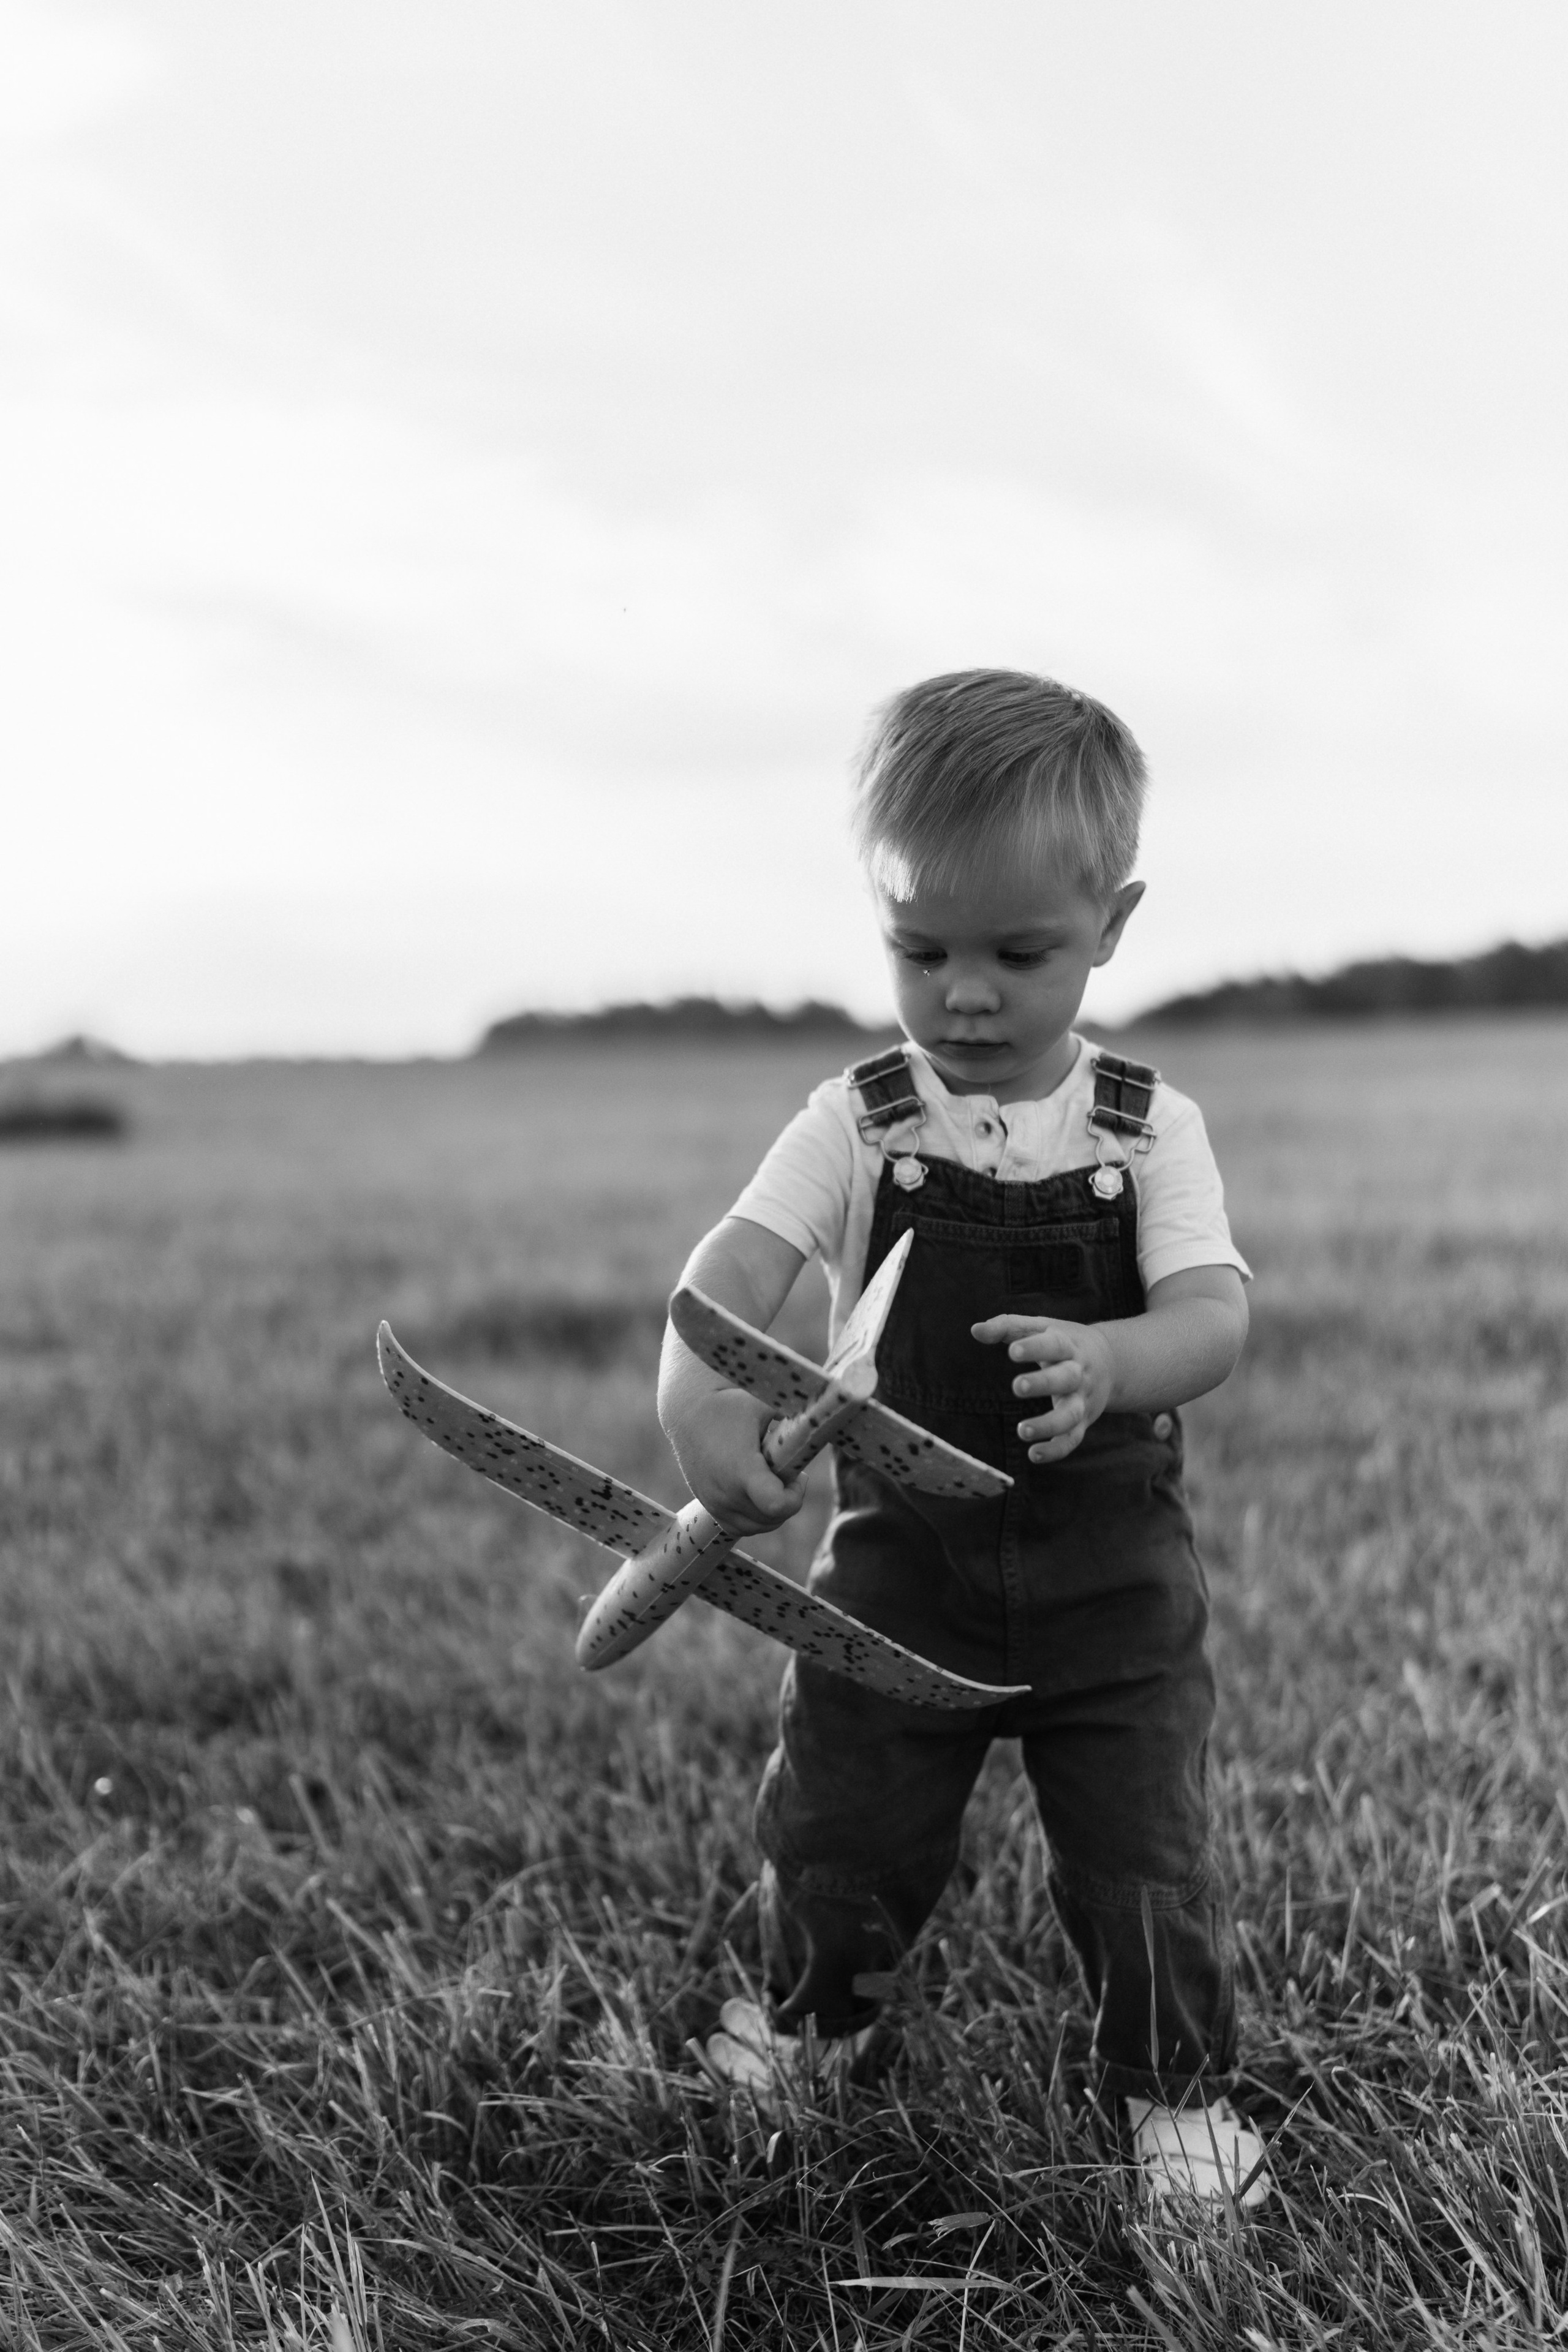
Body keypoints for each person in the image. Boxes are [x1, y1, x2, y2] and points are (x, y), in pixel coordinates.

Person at [659, 669, 1267, 2209]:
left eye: (1017, 952)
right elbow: (725, 1280)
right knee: (839, 1819)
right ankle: (816, 2025)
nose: (965, 996)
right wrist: (697, 1403)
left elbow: (1212, 1317)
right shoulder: (859, 1121)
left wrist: (1114, 1359)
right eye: (919, 951)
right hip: (899, 1574)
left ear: (1110, 925)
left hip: (1108, 1589)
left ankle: (1174, 2101)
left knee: (1141, 1856)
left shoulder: (1144, 1127)